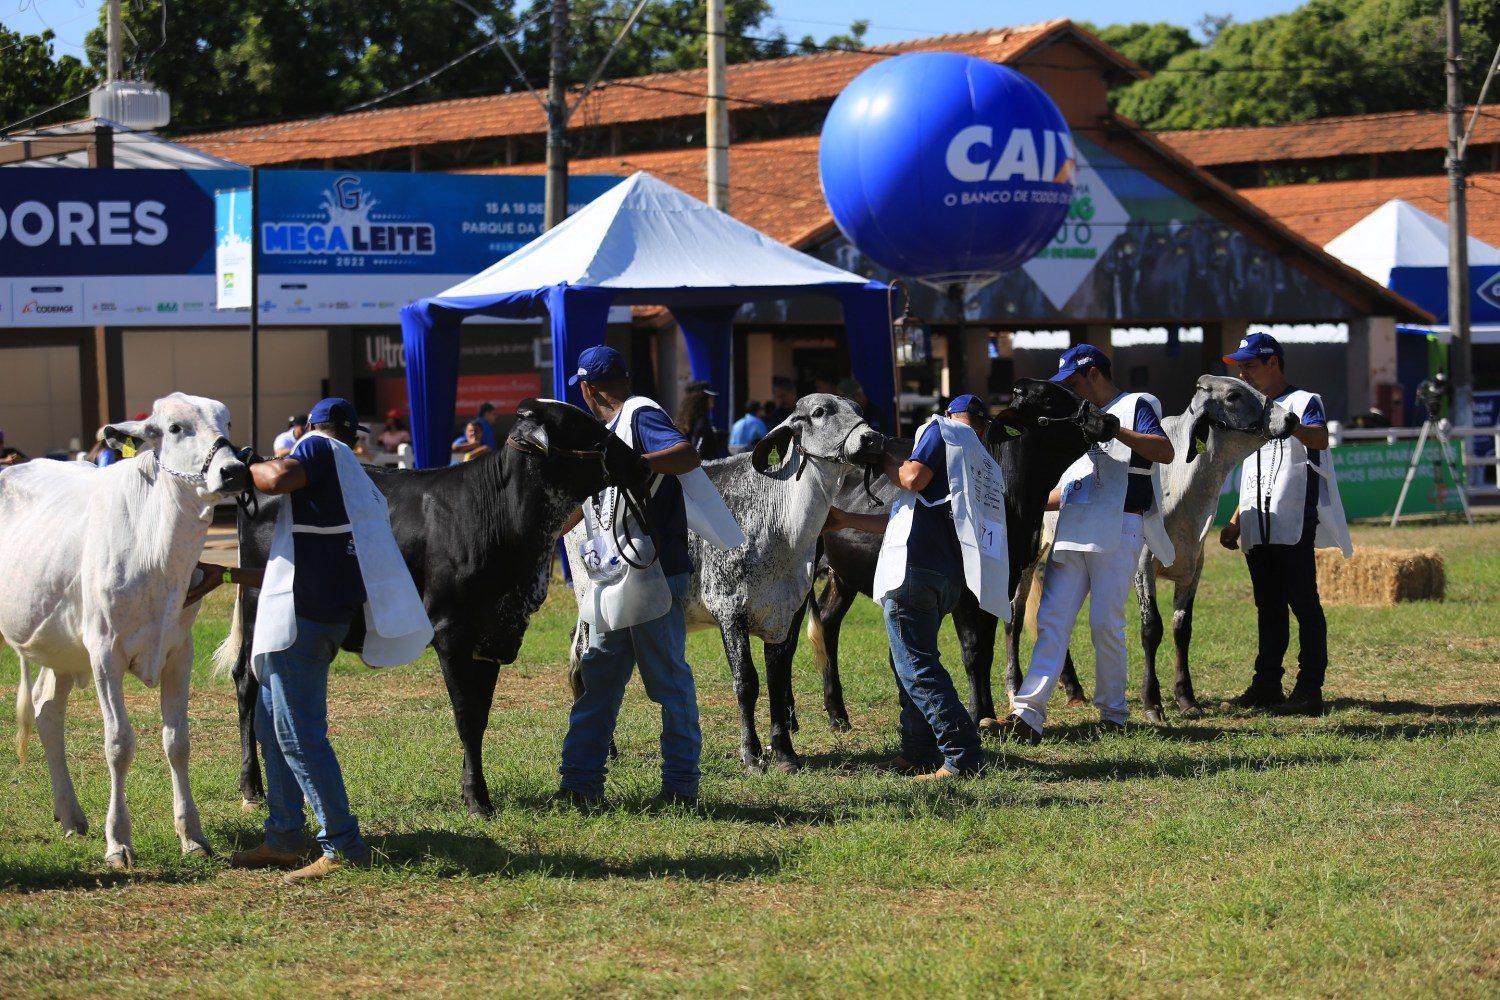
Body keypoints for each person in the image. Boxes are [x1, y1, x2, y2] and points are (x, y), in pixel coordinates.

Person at [226, 397, 432, 883]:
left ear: (311, 428)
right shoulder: (351, 480)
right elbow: (300, 564)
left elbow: (274, 480)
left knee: (298, 735)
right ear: (354, 432)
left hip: (301, 620)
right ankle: (283, 836)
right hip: (318, 616)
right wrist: (226, 576)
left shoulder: (318, 449)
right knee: (273, 729)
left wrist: (246, 463)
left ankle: (342, 843)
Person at [558, 347, 729, 809]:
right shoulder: (608, 430)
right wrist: (551, 531)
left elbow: (684, 454)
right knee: (598, 680)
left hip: (654, 572)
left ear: (588, 388)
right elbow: (590, 499)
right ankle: (579, 785)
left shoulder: (639, 413)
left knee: (668, 684)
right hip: (618, 576)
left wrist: (644, 463)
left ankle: (680, 789)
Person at [999, 344, 1176, 743]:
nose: (1072, 389)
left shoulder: (1136, 403)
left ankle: (1113, 713)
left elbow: (1164, 451)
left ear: (1094, 372)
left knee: (1105, 623)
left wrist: (1115, 430)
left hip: (1120, 521)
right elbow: (1073, 485)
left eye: (1075, 381)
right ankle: (1027, 714)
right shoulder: (1073, 415)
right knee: (1051, 619)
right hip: (1075, 522)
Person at [826, 393, 1008, 780]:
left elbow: (910, 478)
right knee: (906, 659)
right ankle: (917, 751)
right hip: (946, 577)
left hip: (913, 571)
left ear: (950, 415)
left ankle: (963, 755)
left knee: (917, 666)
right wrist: (844, 519)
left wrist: (887, 454)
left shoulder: (942, 431)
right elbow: (902, 515)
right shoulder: (980, 465)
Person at [1219, 332, 1351, 716]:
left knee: (1304, 604)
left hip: (1292, 518)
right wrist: (1235, 520)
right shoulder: (1246, 409)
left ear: (1273, 362)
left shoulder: (1304, 401)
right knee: (1268, 605)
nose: (1243, 373)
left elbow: (1321, 440)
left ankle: (1310, 688)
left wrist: (1288, 424)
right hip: (1257, 522)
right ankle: (1267, 684)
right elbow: (1252, 472)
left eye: (1250, 365)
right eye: (1240, 366)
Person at [676, 380, 725, 461]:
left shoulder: (686, 418)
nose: (712, 399)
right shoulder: (701, 421)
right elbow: (698, 451)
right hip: (703, 469)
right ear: (701, 399)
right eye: (709, 396)